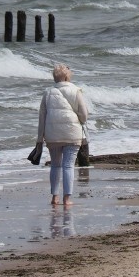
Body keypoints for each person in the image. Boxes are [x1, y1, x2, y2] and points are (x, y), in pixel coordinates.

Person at [37, 63, 89, 207]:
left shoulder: (47, 92)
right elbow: (84, 115)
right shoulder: (76, 90)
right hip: (72, 133)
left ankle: (55, 197)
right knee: (68, 166)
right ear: (67, 76)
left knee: (55, 165)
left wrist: (40, 137)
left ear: (55, 78)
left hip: (52, 135)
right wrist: (80, 120)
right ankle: (67, 199)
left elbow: (42, 116)